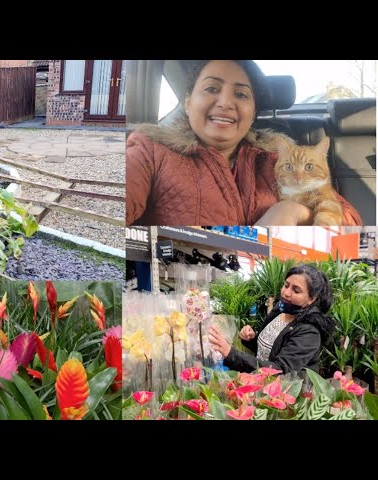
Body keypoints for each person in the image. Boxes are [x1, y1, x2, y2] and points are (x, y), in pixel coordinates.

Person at [126, 60, 361, 226]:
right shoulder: (149, 150)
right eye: (211, 88)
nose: (226, 102)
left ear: (253, 111)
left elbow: (350, 218)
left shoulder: (277, 159)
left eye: (241, 94)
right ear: (188, 103)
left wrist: (293, 211)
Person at [208, 264, 335, 374]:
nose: (286, 293)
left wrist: (231, 354)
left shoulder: (309, 332)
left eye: (296, 291)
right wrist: (252, 338)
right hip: (264, 387)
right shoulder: (280, 310)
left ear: (311, 299)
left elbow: (279, 370)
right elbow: (270, 350)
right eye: (286, 285)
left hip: (288, 395)